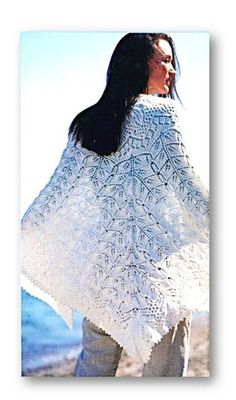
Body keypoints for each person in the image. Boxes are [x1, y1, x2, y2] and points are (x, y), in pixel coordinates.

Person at [21, 33, 209, 377]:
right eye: (163, 61)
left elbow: (52, 199)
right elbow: (192, 194)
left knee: (93, 370)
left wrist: (21, 235)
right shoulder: (163, 116)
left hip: (104, 278)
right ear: (138, 66)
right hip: (160, 283)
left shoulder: (88, 122)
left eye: (171, 60)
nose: (172, 70)